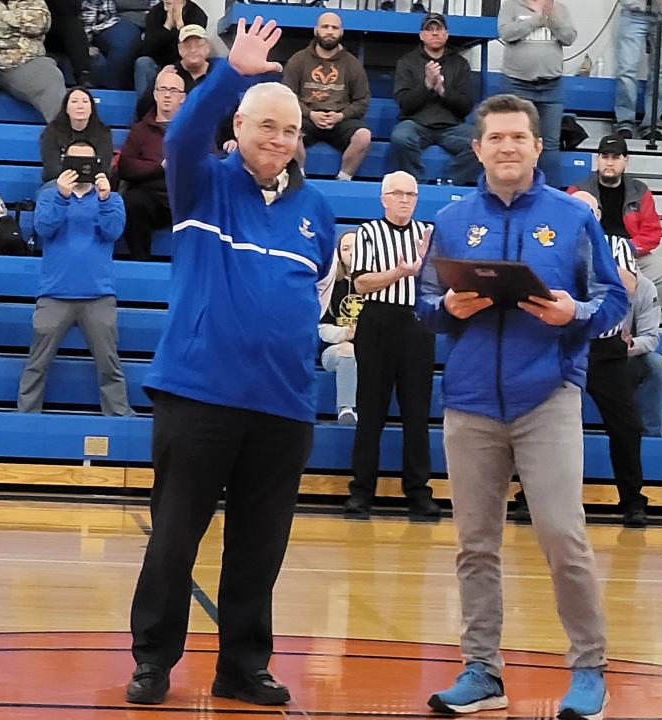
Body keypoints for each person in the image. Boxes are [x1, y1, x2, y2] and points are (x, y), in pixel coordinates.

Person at [125, 17, 337, 707]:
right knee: (174, 540)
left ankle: (242, 666)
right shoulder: (202, 181)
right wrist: (234, 72)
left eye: (290, 130)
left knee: (259, 549)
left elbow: (317, 301)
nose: (278, 139)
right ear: (237, 127)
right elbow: (183, 133)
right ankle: (153, 660)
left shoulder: (319, 213)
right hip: (198, 396)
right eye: (265, 125)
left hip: (283, 406)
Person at [418, 93, 627, 720]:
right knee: (474, 544)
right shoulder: (452, 219)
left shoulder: (572, 218)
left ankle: (589, 667)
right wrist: (445, 310)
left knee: (564, 538)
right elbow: (426, 304)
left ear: (538, 146)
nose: (507, 147)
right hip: (471, 402)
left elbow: (612, 299)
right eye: (495, 138)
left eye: (518, 137)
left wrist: (576, 314)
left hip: (548, 397)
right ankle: (482, 671)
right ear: (477, 148)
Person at [344, 171, 440, 520]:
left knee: (417, 414)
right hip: (378, 323)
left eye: (411, 194)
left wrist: (426, 266)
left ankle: (419, 492)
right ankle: (360, 492)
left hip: (417, 324)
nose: (404, 200)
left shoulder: (427, 234)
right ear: (383, 198)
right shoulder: (368, 233)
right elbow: (361, 284)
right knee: (371, 412)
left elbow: (440, 282)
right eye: (397, 193)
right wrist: (402, 272)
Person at [17, 140, 134, 416]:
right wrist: (61, 195)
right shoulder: (48, 195)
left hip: (98, 294)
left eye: (87, 162)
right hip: (54, 293)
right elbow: (44, 227)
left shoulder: (113, 199)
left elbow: (113, 232)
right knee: (37, 362)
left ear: (97, 165)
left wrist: (105, 199)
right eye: (73, 161)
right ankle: (25, 416)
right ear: (63, 162)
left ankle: (119, 416)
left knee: (109, 364)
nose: (81, 168)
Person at [569, 188, 648, 528]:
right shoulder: (553, 241)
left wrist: (592, 262)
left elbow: (629, 286)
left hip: (606, 348)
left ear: (599, 215)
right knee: (547, 426)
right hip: (564, 344)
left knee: (627, 426)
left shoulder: (617, 244)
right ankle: (531, 497)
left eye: (589, 212)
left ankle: (632, 500)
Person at [567, 135, 662, 307]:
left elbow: (652, 232)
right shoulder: (579, 191)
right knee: (632, 281)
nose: (609, 163)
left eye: (616, 157)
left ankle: (637, 320)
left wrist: (626, 249)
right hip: (593, 254)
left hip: (631, 251)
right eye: (605, 157)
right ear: (597, 160)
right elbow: (570, 231)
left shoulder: (640, 191)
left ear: (626, 161)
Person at [391, 13, 480, 185]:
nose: (434, 33)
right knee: (400, 137)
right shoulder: (407, 62)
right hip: (416, 124)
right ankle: (417, 184)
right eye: (429, 30)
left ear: (446, 34)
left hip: (451, 127)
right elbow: (404, 105)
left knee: (482, 143)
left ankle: (449, 182)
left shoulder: (460, 64)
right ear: (421, 36)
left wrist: (442, 91)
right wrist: (426, 86)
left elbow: (466, 106)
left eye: (439, 29)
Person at [282, 12, 371, 181]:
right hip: (307, 117)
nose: (330, 31)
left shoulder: (352, 64)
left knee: (363, 136)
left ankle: (344, 178)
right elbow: (287, 96)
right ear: (316, 30)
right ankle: (297, 177)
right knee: (289, 130)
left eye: (334, 28)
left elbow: (362, 101)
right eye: (325, 27)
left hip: (340, 120)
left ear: (341, 32)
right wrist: (310, 114)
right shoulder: (298, 60)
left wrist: (341, 116)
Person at [498, 0, 575, 187]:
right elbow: (506, 33)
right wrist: (536, 20)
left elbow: (569, 37)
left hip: (551, 87)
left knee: (550, 145)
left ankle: (549, 195)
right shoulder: (511, 6)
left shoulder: (559, 8)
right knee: (517, 140)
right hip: (518, 85)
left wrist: (552, 19)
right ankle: (515, 190)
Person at [118, 68, 185, 260]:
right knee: (133, 201)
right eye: (162, 89)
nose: (167, 95)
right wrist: (159, 167)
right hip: (152, 198)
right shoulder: (140, 130)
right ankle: (141, 262)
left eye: (173, 91)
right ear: (154, 94)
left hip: (186, 197)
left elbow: (209, 163)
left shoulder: (195, 129)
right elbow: (126, 166)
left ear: (183, 97)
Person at [613, 0, 662, 142]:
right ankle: (625, 124)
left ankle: (652, 125)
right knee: (627, 70)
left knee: (661, 73)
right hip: (633, 12)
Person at [319, 230, 361, 425]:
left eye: (355, 247)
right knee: (347, 349)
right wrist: (345, 333)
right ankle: (346, 408)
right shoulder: (331, 285)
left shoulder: (377, 285)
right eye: (345, 248)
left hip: (370, 348)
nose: (351, 252)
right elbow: (322, 328)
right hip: (334, 351)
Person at [134, 25, 217, 120]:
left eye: (198, 45)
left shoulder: (219, 74)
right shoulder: (169, 73)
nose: (193, 50)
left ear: (207, 48)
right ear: (180, 49)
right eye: (187, 45)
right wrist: (158, 83)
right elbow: (142, 111)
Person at [40, 86, 114, 183]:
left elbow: (103, 169)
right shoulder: (52, 131)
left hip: (92, 184)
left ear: (91, 108)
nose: (80, 106)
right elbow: (51, 170)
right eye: (74, 101)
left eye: (85, 101)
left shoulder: (103, 132)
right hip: (59, 182)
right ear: (66, 108)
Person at [134, 0, 207, 97]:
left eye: (169, 3)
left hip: (184, 66)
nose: (165, 6)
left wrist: (180, 25)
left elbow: (190, 49)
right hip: (158, 64)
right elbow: (147, 50)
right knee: (143, 63)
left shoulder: (197, 14)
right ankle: (146, 110)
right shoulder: (155, 12)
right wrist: (167, 26)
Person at [625, 272, 662, 437]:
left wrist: (632, 344)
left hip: (623, 355)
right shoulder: (585, 279)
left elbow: (650, 338)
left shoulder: (645, 286)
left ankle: (651, 437)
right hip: (586, 354)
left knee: (655, 364)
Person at [81, 0, 143, 90]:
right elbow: (90, 9)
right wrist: (86, 43)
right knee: (124, 41)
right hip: (112, 21)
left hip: (153, 19)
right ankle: (113, 94)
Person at [44, 0, 94, 87]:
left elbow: (74, 8)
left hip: (63, 31)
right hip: (33, 28)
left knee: (73, 23)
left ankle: (83, 74)